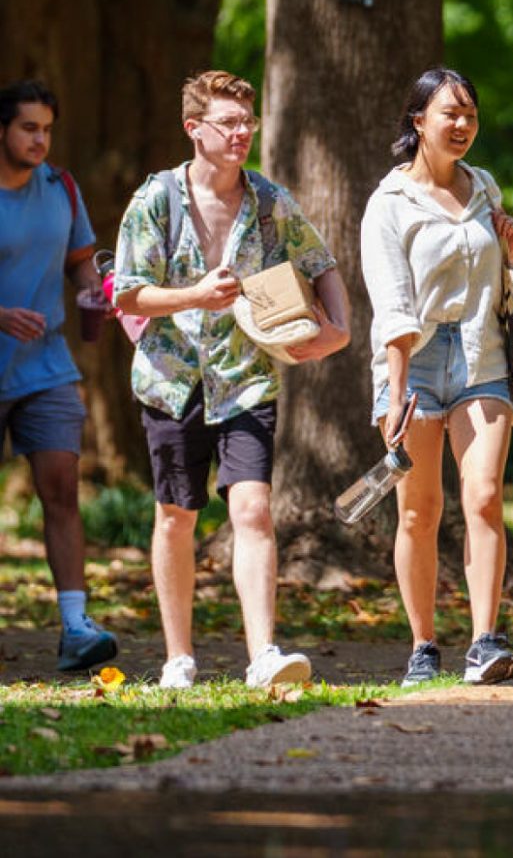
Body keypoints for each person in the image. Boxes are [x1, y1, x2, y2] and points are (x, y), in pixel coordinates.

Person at [113, 70, 350, 689]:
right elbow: (128, 294)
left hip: (246, 377)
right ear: (194, 129)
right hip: (172, 380)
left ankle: (264, 654)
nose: (242, 132)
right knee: (176, 515)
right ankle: (178, 658)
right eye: (229, 123)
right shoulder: (156, 200)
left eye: (248, 122)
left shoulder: (269, 201)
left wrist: (339, 331)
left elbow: (320, 263)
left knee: (254, 509)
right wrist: (195, 294)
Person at [360, 67, 513, 687]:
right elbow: (393, 305)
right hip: (415, 363)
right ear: (418, 121)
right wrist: (396, 393)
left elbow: (497, 279)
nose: (462, 125)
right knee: (418, 512)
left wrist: (511, 250)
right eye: (449, 113)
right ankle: (423, 646)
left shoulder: (484, 188)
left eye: (470, 115)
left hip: (483, 355)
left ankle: (484, 641)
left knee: (484, 496)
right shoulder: (389, 204)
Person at [0, 79, 117, 673]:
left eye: (46, 129)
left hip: (45, 367)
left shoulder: (61, 187)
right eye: (28, 128)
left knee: (62, 489)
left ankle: (75, 626)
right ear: (2, 130)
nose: (40, 140)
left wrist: (94, 292)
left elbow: (79, 262)